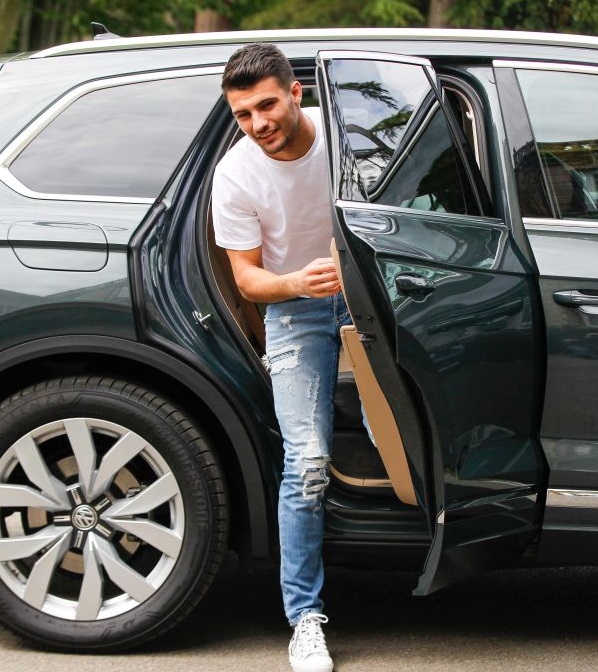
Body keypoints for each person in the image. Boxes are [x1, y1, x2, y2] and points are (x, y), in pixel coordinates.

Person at [212, 42, 349, 672]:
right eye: (243, 114)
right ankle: (304, 620)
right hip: (295, 307)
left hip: (373, 296)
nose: (258, 123)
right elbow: (246, 279)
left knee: (409, 432)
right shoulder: (236, 175)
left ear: (297, 92)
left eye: (267, 105)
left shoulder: (348, 140)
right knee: (309, 461)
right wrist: (297, 282)